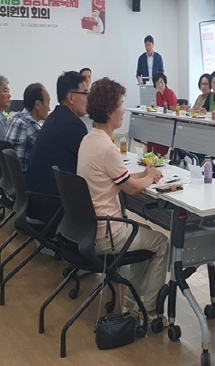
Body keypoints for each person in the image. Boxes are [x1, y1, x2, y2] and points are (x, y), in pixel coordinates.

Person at [76, 77, 168, 321]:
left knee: (145, 232)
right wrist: (150, 177)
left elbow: (119, 178)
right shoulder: (107, 148)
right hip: (107, 233)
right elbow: (131, 189)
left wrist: (144, 174)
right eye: (120, 105)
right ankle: (149, 309)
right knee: (161, 243)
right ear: (110, 111)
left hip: (89, 229)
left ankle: (132, 301)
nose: (123, 110)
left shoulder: (89, 139)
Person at [26, 71, 89, 224]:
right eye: (85, 93)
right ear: (71, 97)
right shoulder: (73, 125)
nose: (88, 99)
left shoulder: (55, 117)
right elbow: (92, 165)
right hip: (51, 207)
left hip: (35, 201)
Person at [5, 83, 51, 173]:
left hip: (11, 176)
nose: (49, 108)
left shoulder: (15, 117)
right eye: (48, 103)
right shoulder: (30, 125)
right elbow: (48, 152)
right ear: (38, 105)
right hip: (25, 177)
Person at [147, 72, 178, 156]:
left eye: (161, 82)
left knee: (160, 131)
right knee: (150, 131)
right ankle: (152, 154)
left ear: (165, 82)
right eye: (157, 83)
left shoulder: (170, 93)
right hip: (161, 119)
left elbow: (172, 110)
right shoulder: (158, 94)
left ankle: (161, 154)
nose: (160, 85)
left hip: (170, 121)